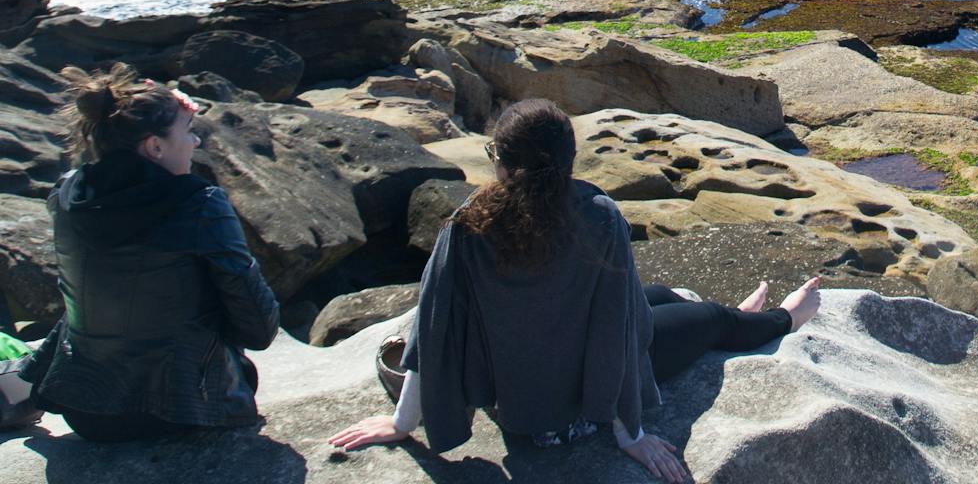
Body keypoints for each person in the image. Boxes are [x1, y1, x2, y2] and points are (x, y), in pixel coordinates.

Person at [328, 98, 822, 481]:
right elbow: (616, 332)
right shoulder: (598, 218)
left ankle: (720, 310)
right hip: (576, 413)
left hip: (511, 404)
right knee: (712, 320)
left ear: (501, 162)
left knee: (662, 295)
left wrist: (402, 422)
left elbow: (434, 328)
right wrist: (632, 434)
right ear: (569, 161)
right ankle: (785, 317)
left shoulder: (464, 226)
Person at [13, 67, 280, 441]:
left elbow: (104, 171)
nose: (195, 143)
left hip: (86, 412)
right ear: (154, 146)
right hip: (185, 412)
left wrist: (159, 109)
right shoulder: (199, 203)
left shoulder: (65, 195)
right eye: (188, 133)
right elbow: (259, 328)